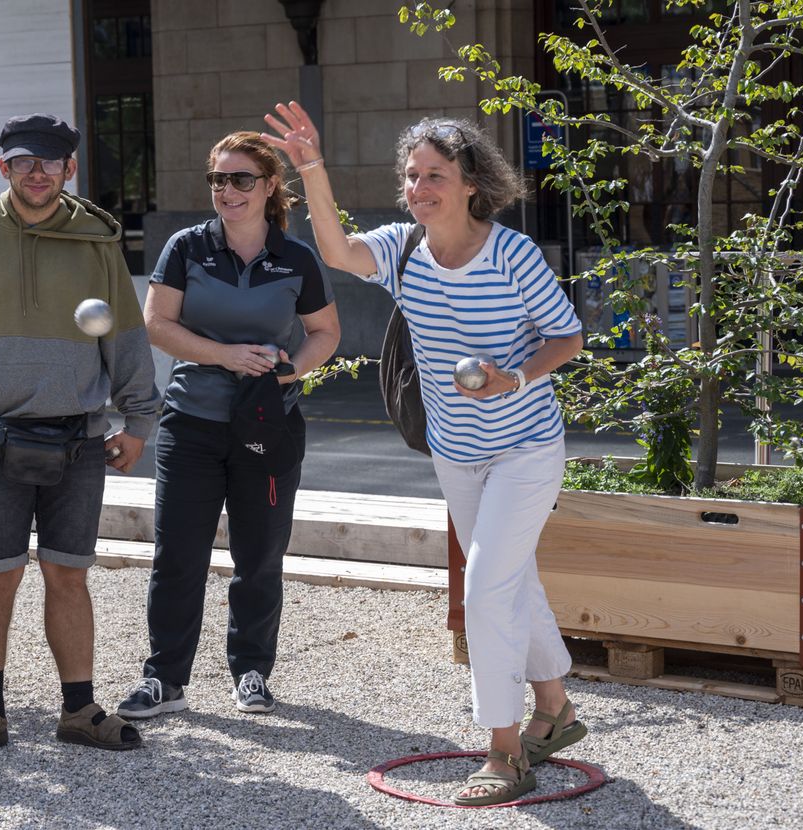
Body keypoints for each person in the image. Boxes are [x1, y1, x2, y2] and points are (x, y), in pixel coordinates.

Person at [262, 102, 586, 806]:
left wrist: (515, 377)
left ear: (471, 182)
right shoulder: (403, 249)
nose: (419, 187)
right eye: (411, 176)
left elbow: (568, 337)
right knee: (509, 578)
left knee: (486, 588)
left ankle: (504, 751)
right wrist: (310, 168)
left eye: (434, 175)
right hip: (454, 451)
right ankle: (555, 709)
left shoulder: (512, 254)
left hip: (525, 448)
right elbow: (338, 252)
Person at [0, 113, 161, 758]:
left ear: (69, 168)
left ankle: (78, 709)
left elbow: (125, 337)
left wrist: (139, 421)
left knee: (68, 575)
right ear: (5, 168)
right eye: (25, 161)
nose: (38, 172)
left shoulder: (99, 239)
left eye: (50, 162)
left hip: (78, 439)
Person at [116, 131, 340, 720]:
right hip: (191, 423)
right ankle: (165, 679)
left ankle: (251, 674)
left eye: (242, 179)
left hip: (269, 425)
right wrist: (225, 356)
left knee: (260, 556)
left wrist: (290, 372)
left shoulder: (297, 258)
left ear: (269, 187)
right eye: (219, 179)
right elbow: (156, 324)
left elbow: (326, 333)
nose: (228, 191)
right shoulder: (186, 248)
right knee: (177, 554)